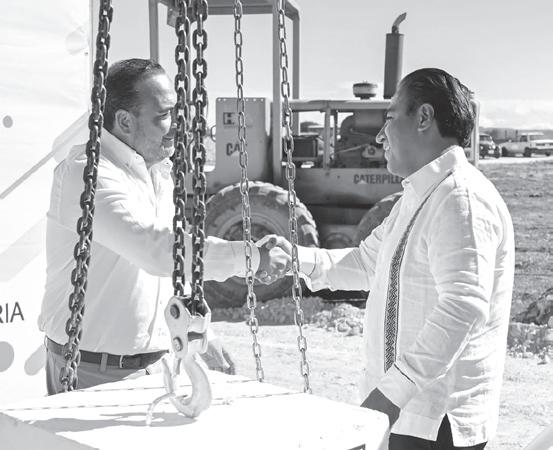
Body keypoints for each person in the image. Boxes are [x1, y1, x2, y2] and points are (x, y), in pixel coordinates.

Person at [259, 68, 514, 449]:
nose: (380, 135)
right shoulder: (421, 195)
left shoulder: (460, 198)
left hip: (435, 424)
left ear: (424, 117)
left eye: (390, 118)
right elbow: (366, 264)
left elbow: (463, 306)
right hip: (409, 416)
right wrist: (294, 259)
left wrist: (390, 394)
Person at [39, 58, 290, 395]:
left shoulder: (157, 173)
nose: (177, 126)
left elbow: (171, 268)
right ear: (124, 121)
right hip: (89, 370)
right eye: (165, 115)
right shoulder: (88, 174)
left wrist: (201, 331)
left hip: (157, 364)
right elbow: (155, 250)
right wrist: (251, 258)